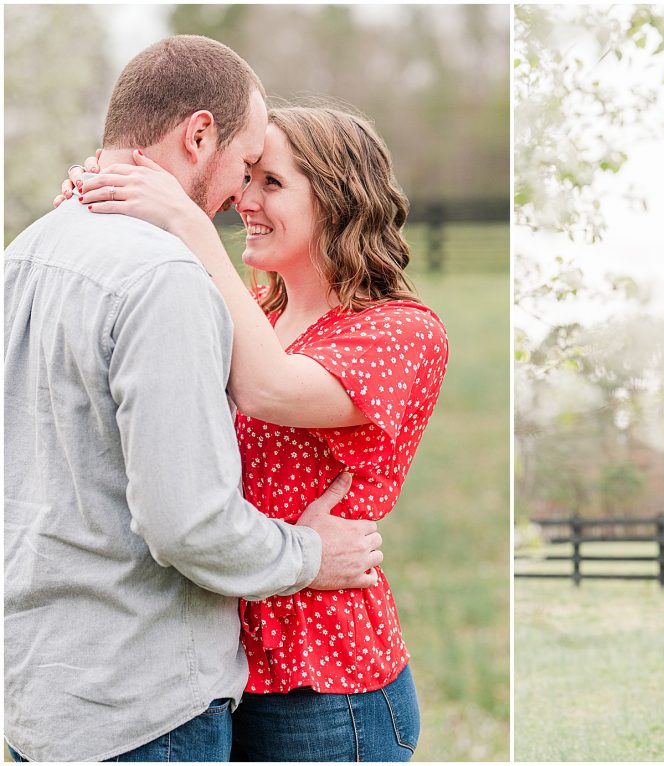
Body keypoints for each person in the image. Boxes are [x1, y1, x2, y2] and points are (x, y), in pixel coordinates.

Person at [4, 36, 386, 763]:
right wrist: (311, 555)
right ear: (197, 134)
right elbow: (187, 523)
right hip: (143, 703)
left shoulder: (25, 251)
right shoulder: (165, 278)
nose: (238, 200)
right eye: (245, 168)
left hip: (40, 697)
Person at [69, 100, 449, 760]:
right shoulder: (254, 312)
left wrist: (190, 222)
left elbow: (267, 388)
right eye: (245, 178)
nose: (245, 200)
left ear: (336, 197)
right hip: (214, 665)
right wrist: (102, 197)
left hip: (324, 683)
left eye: (271, 183)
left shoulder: (401, 332)